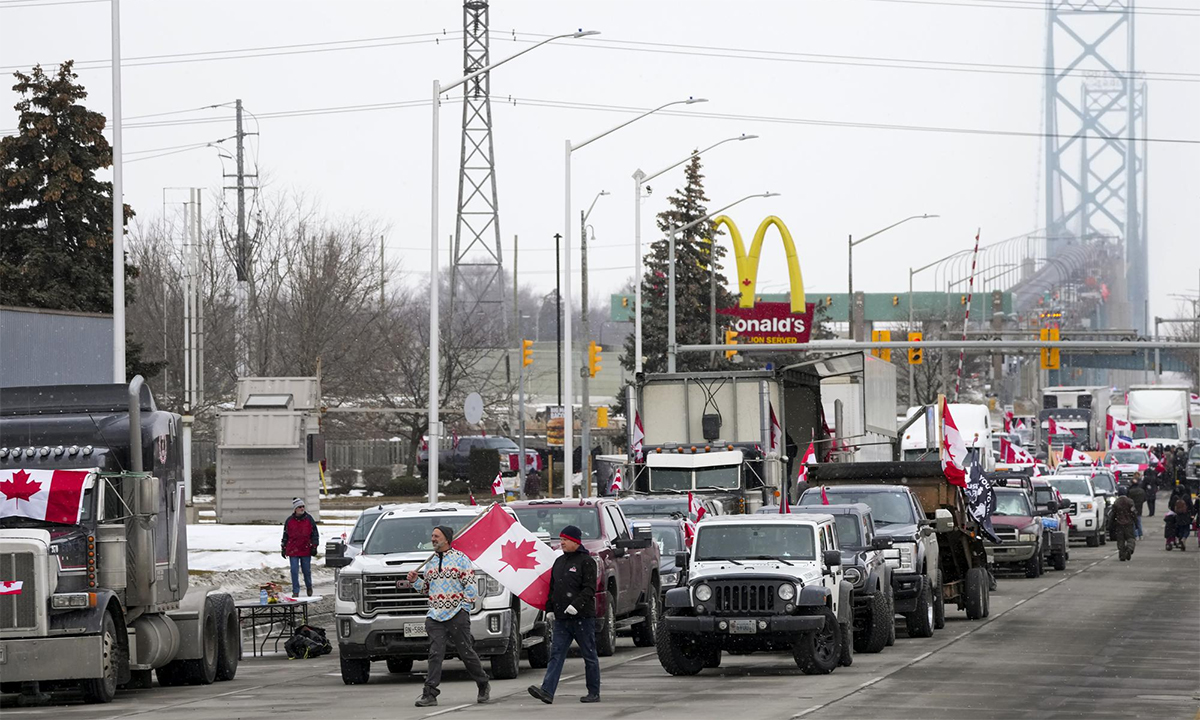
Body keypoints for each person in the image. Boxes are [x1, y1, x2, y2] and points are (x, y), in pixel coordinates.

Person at [406, 526, 490, 708]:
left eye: (436, 536)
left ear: (447, 539)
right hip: (435, 616)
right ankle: (429, 693)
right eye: (432, 536)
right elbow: (427, 590)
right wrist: (415, 581)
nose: (433, 539)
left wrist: (464, 609)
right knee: (435, 654)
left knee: (466, 652)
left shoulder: (461, 559)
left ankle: (483, 683)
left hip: (456, 614)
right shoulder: (430, 562)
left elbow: (470, 587)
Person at [528, 525, 600, 705]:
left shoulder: (586, 562)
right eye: (561, 540)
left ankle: (593, 692)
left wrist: (576, 605)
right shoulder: (559, 562)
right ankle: (547, 691)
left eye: (565, 540)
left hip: (582, 618)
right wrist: (550, 609)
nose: (562, 543)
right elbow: (553, 588)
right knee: (556, 654)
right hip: (562, 619)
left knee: (589, 655)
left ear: (576, 541)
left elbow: (590, 588)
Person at [281, 498, 319, 597]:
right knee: (294, 570)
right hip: (293, 549)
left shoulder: (309, 519)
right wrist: (283, 548)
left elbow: (314, 533)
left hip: (306, 548)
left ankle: (309, 586)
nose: (302, 508)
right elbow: (285, 535)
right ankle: (295, 591)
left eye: (303, 507)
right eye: (299, 507)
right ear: (295, 509)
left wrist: (314, 546)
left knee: (306, 570)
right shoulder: (289, 521)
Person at [1109, 487, 1137, 561]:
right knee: (1130, 538)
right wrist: (1136, 523)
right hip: (1129, 524)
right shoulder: (1130, 502)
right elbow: (1134, 513)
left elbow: (1113, 514)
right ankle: (1129, 549)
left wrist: (1110, 524)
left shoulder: (1116, 502)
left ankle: (1122, 555)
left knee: (1120, 540)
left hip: (1119, 524)